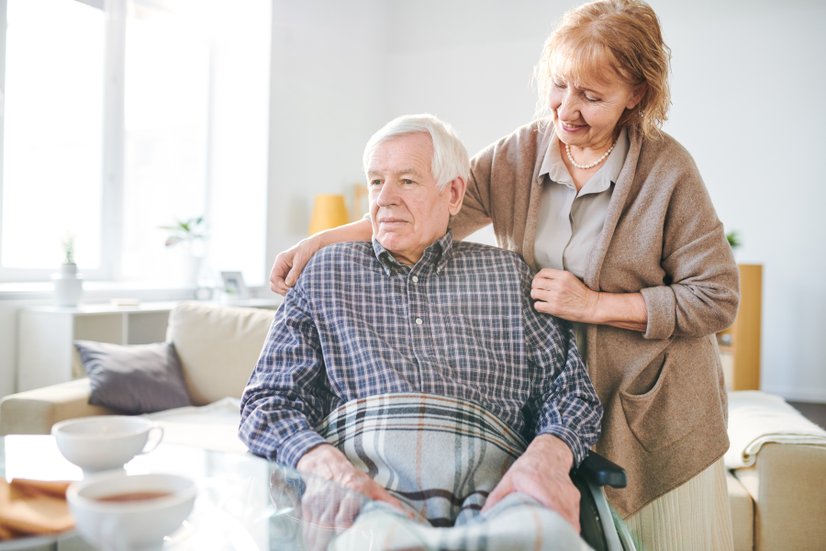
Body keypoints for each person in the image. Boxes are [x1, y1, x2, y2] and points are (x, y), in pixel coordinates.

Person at [267, 1, 740, 548]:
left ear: (635, 94)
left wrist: (595, 305)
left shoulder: (667, 169)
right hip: (565, 393)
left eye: (592, 96)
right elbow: (429, 207)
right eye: (560, 86)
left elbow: (717, 297)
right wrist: (320, 242)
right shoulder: (521, 153)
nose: (567, 110)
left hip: (651, 397)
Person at [240, 114, 602, 548]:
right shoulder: (325, 274)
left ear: (453, 193)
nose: (385, 199)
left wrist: (547, 459)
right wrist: (326, 469)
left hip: (499, 493)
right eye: (376, 182)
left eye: (407, 181)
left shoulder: (510, 276)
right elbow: (268, 401)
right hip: (365, 490)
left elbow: (572, 393)